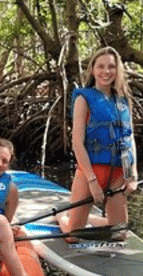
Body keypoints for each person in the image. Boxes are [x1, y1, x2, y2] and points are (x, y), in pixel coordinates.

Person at [58, 46, 138, 238]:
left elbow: (129, 137)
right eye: (101, 66)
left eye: (111, 66)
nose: (106, 72)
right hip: (90, 172)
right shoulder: (83, 98)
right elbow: (77, 142)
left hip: (118, 173)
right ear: (93, 69)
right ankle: (62, 217)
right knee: (73, 236)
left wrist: (132, 173)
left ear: (117, 70)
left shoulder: (124, 99)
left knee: (119, 235)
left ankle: (93, 220)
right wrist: (92, 181)